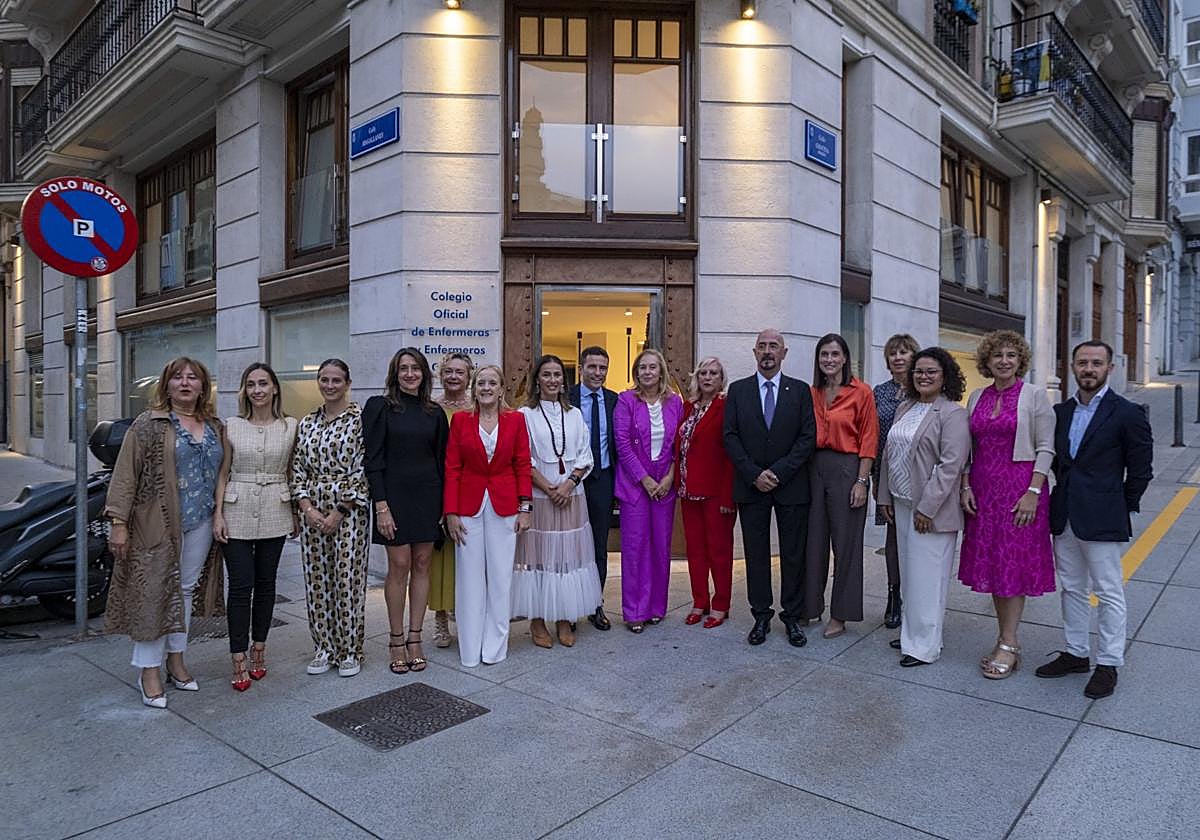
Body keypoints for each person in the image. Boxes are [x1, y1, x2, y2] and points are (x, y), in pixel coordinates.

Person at [105, 357, 226, 709]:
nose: (185, 383)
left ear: (203, 386)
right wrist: (118, 522)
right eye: (178, 378)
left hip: (200, 522)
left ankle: (176, 660)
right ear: (167, 384)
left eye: (193, 378)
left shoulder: (214, 424)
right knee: (154, 592)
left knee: (184, 591)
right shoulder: (149, 424)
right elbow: (125, 474)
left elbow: (221, 472)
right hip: (156, 522)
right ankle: (147, 671)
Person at [1035, 341, 1153, 698]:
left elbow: (1141, 470)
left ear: (1109, 369)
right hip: (1066, 513)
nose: (1089, 369)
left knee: (1108, 591)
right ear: (1072, 367)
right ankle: (1075, 653)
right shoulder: (1061, 412)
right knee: (1071, 586)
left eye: (1096, 363)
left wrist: (1121, 503)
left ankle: (1108, 662)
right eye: (1082, 362)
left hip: (1104, 515)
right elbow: (1056, 460)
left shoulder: (1127, 413)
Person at [959, 329, 1055, 680]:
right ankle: (1006, 638)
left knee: (1012, 568)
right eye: (997, 355)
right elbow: (968, 449)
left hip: (1020, 492)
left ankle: (1009, 644)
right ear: (987, 361)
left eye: (1011, 355)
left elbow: (1047, 448)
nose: (1004, 361)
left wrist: (1033, 490)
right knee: (996, 567)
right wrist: (965, 485)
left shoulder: (1034, 396)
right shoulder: (976, 397)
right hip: (984, 493)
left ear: (1020, 361)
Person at [723, 328, 817, 648]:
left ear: (784, 353)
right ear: (754, 352)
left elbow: (807, 438)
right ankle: (761, 616)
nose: (767, 351)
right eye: (762, 346)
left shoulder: (801, 391)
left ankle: (791, 617)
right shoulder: (737, 390)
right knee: (756, 555)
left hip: (790, 486)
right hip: (751, 488)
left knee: (793, 555)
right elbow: (730, 437)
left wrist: (776, 473)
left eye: (773, 346)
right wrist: (753, 474)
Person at [877, 348, 970, 667]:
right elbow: (889, 455)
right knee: (911, 576)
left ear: (945, 376)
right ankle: (911, 634)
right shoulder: (906, 407)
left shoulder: (952, 413)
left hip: (931, 510)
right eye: (919, 371)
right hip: (901, 503)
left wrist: (926, 508)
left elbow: (950, 466)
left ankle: (924, 647)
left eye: (931, 371)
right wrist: (885, 497)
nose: (924, 376)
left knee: (929, 580)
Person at [364, 348, 450, 675]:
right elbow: (373, 461)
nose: (410, 374)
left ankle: (416, 639)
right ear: (395, 373)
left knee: (424, 563)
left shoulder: (434, 412)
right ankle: (396, 639)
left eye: (416, 368)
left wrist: (444, 506)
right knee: (399, 565)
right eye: (404, 368)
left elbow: (442, 462)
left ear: (424, 374)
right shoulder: (380, 408)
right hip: (394, 498)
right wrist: (381, 506)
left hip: (428, 496)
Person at [213, 363, 298, 691]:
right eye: (251, 384)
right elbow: (223, 472)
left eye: (263, 383)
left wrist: (294, 513)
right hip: (237, 506)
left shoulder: (290, 426)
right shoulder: (231, 425)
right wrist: (218, 514)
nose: (258, 390)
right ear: (244, 391)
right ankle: (237, 656)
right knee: (240, 586)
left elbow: (293, 470)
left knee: (266, 585)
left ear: (275, 388)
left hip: (276, 507)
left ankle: (259, 649)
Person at [443, 365, 533, 667]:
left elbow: (522, 465)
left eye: (491, 382)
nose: (485, 388)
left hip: (505, 507)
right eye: (481, 382)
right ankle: (470, 649)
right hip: (468, 507)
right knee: (468, 580)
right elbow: (452, 468)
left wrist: (525, 508)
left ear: (501, 388)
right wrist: (451, 512)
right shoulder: (459, 422)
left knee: (500, 578)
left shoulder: (516, 420)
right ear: (474, 387)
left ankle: (494, 647)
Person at [513, 354, 603, 648]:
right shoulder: (525, 415)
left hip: (571, 497)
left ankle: (564, 618)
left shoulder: (574, 414)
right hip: (541, 498)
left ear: (564, 381)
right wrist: (549, 488)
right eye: (546, 375)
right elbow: (521, 458)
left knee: (566, 560)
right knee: (539, 559)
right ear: (536, 380)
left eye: (557, 375)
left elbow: (584, 455)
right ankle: (538, 620)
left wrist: (569, 484)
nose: (552, 380)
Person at [291, 359, 370, 678]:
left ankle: (351, 649)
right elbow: (297, 467)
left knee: (347, 578)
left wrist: (339, 511)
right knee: (317, 579)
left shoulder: (360, 421)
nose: (330, 385)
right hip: (312, 511)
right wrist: (308, 508)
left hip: (348, 511)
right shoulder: (307, 422)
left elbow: (363, 469)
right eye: (324, 379)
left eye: (336, 380)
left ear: (347, 383)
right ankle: (323, 647)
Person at [805, 333, 879, 639]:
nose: (829, 360)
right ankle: (809, 607)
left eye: (835, 354)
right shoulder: (812, 392)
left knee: (846, 545)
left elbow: (869, 440)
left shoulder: (861, 392)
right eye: (824, 355)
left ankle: (841, 614)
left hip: (848, 468)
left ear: (845, 358)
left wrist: (862, 481)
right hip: (814, 468)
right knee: (813, 542)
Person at [614, 348, 684, 633]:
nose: (647, 372)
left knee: (660, 547)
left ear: (661, 371)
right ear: (636, 372)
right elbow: (622, 443)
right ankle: (634, 611)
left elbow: (679, 444)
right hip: (635, 485)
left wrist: (669, 477)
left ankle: (657, 607)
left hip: (664, 486)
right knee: (634, 548)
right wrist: (645, 479)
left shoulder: (674, 403)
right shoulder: (626, 400)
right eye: (642, 367)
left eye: (652, 367)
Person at [675, 357, 737, 628]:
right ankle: (700, 601)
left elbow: (730, 455)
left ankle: (721, 604)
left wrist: (728, 496)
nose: (708, 378)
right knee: (696, 552)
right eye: (703, 373)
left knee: (719, 552)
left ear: (722, 379)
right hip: (689, 492)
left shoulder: (726, 407)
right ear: (696, 378)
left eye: (714, 373)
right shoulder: (688, 407)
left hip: (716, 494)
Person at [569, 346, 619, 632]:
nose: (598, 373)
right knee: (573, 546)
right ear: (581, 367)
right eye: (592, 367)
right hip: (572, 481)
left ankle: (595, 605)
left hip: (602, 479)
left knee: (599, 545)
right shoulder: (568, 398)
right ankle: (571, 608)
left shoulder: (614, 400)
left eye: (603, 367)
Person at [873, 333, 919, 629]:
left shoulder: (925, 390)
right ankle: (894, 595)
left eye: (904, 352)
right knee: (892, 538)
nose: (898, 357)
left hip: (918, 475)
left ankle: (917, 597)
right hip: (886, 474)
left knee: (918, 538)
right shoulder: (878, 392)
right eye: (893, 353)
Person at [430, 352, 474, 649]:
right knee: (438, 555)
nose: (454, 377)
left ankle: (463, 608)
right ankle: (441, 617)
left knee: (466, 552)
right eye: (449, 372)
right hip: (436, 488)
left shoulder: (480, 406)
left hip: (471, 489)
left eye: (460, 372)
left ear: (469, 376)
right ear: (441, 375)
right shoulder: (431, 408)